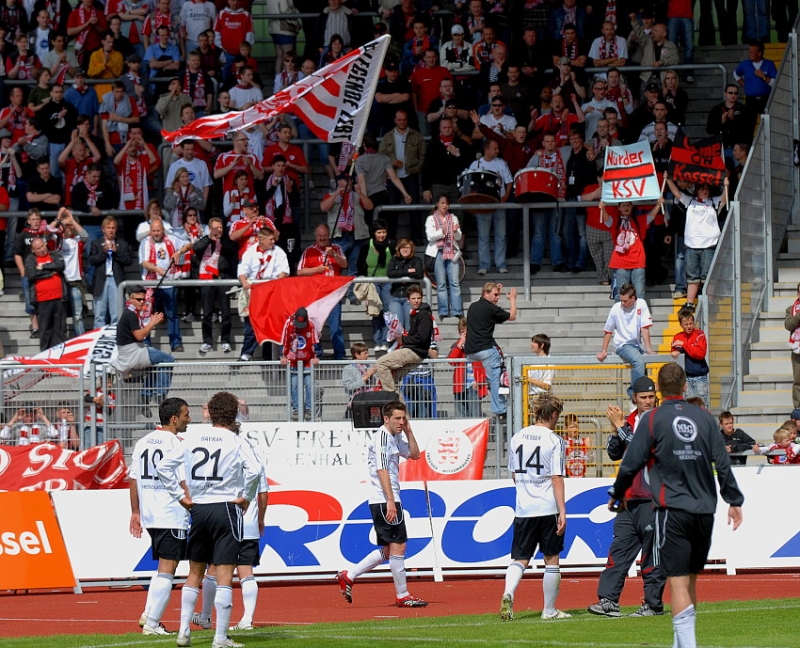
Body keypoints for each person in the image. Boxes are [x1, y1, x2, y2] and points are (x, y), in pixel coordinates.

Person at [609, 363, 744, 648]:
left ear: (658, 389)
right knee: (691, 580)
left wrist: (617, 492)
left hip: (671, 509)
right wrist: (734, 499)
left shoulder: (652, 419)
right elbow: (722, 461)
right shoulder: (705, 418)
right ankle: (680, 642)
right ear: (685, 386)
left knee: (678, 582)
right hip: (705, 509)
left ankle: (688, 645)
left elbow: (632, 460)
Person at [156, 390, 261, 648]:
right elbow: (256, 470)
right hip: (225, 506)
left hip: (199, 509)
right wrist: (246, 496)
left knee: (194, 572)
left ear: (211, 413)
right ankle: (220, 637)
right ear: (233, 414)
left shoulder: (190, 438)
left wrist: (180, 496)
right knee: (224, 573)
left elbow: (163, 467)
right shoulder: (236, 440)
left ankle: (183, 632)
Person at [336, 400, 427, 608]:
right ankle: (402, 594)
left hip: (388, 497)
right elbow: (382, 469)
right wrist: (390, 500)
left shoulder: (395, 436)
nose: (401, 422)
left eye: (403, 418)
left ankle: (349, 575)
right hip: (385, 498)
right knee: (399, 545)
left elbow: (414, 454)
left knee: (388, 548)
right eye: (397, 418)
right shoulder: (382, 438)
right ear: (386, 419)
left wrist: (410, 431)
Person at [588, 375, 664, 618]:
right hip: (630, 498)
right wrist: (616, 430)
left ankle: (653, 604)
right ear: (635, 398)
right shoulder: (629, 421)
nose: (649, 401)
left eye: (652, 396)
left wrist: (621, 428)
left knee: (651, 554)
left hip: (653, 498)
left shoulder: (661, 420)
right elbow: (614, 454)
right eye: (644, 397)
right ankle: (609, 600)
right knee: (618, 551)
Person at [499, 392, 570, 622]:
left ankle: (508, 593)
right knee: (551, 559)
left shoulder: (518, 436)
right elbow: (556, 477)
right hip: (547, 507)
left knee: (519, 558)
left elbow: (514, 474)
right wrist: (562, 511)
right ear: (554, 414)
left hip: (524, 508)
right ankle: (549, 610)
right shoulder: (554, 440)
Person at [129, 397, 191, 636]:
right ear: (174, 418)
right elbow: (183, 481)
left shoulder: (143, 442)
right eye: (186, 414)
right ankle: (153, 623)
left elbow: (133, 479)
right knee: (168, 568)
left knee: (163, 567)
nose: (189, 418)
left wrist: (135, 511)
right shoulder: (176, 444)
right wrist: (191, 506)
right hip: (171, 512)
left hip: (151, 514)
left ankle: (148, 615)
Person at [666, 177, 729, 309]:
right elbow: (677, 193)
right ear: (696, 190)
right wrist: (668, 180)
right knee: (692, 276)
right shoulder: (690, 201)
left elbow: (724, 199)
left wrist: (726, 186)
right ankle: (690, 303)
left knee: (708, 276)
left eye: (706, 189)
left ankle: (710, 302)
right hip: (691, 245)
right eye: (702, 188)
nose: (705, 191)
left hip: (709, 245)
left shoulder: (713, 201)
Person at [110, 284, 175, 407]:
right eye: (138, 299)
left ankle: (145, 395)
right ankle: (160, 393)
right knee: (168, 359)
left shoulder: (132, 313)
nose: (141, 302)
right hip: (132, 353)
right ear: (130, 299)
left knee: (155, 364)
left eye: (143, 299)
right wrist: (152, 323)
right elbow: (140, 336)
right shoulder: (130, 314)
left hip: (135, 350)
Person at [237, 226, 289, 362]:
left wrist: (275, 284)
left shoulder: (279, 252)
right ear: (261, 240)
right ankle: (246, 354)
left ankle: (269, 356)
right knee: (252, 324)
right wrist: (244, 282)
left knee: (271, 325)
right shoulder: (249, 252)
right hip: (255, 293)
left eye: (273, 239)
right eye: (270, 240)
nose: (273, 242)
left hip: (271, 293)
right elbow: (242, 271)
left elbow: (284, 271)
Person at [465, 282, 517, 420]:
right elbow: (512, 316)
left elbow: (488, 307)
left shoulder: (473, 306)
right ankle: (499, 409)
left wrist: (496, 290)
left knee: (492, 374)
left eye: (498, 295)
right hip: (485, 350)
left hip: (470, 351)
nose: (497, 297)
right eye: (495, 295)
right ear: (486, 294)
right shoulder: (491, 309)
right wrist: (512, 299)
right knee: (495, 378)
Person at [296, 223, 347, 360]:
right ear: (315, 236)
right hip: (316, 296)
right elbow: (300, 271)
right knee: (315, 327)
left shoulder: (337, 248)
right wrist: (316, 270)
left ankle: (340, 355)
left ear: (329, 236)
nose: (323, 238)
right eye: (320, 236)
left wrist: (334, 255)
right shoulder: (309, 251)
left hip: (334, 294)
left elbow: (344, 264)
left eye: (325, 236)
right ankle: (317, 353)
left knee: (335, 327)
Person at [376, 284, 433, 398]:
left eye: (418, 298)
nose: (416, 301)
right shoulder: (416, 314)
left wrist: (403, 339)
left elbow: (422, 337)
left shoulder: (423, 314)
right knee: (393, 378)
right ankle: (399, 407)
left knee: (381, 363)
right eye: (413, 298)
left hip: (415, 351)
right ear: (408, 300)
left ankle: (392, 398)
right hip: (415, 351)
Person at [597, 283, 654, 397]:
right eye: (621, 300)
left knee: (644, 367)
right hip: (622, 344)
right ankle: (634, 394)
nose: (622, 303)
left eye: (625, 301)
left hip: (637, 345)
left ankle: (645, 395)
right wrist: (604, 350)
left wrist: (648, 349)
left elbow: (644, 328)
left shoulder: (641, 304)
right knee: (638, 362)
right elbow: (608, 331)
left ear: (633, 298)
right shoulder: (615, 308)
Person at [466, 140, 513, 276]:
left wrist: (504, 198)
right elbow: (470, 184)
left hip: (499, 204)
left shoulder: (501, 163)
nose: (497, 151)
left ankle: (501, 264)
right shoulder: (476, 164)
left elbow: (509, 182)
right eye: (494, 148)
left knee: (501, 236)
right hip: (483, 204)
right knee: (483, 237)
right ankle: (484, 265)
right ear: (486, 149)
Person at [139, 219, 184, 353]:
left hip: (168, 283)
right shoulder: (145, 242)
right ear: (150, 231)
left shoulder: (171, 239)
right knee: (146, 315)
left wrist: (179, 252)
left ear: (163, 230)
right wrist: (157, 269)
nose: (156, 233)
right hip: (150, 283)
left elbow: (188, 245)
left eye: (158, 230)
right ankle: (146, 343)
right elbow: (143, 262)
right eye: (154, 231)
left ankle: (175, 343)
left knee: (172, 314)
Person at [193, 217, 237, 355]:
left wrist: (221, 240)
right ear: (210, 228)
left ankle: (225, 340)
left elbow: (232, 249)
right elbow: (196, 248)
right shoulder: (204, 239)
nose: (219, 230)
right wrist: (209, 239)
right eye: (216, 228)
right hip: (206, 278)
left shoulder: (226, 240)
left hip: (222, 278)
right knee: (206, 313)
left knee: (225, 312)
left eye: (221, 227)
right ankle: (207, 341)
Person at [356, 220, 393, 352]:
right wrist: (363, 278)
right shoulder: (367, 245)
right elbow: (360, 263)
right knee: (376, 311)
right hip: (373, 281)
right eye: (379, 232)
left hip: (388, 281)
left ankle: (386, 341)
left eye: (384, 232)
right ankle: (377, 341)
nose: (382, 235)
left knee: (387, 311)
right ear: (374, 233)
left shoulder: (391, 244)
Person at [425, 195, 463, 321]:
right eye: (442, 203)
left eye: (446, 203)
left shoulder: (453, 217)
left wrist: (455, 231)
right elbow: (430, 237)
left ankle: (457, 311)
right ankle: (443, 311)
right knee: (441, 283)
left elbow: (458, 237)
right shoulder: (431, 219)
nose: (444, 205)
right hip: (437, 252)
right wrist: (443, 230)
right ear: (437, 204)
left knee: (454, 282)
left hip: (452, 251)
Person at [25, 235, 65, 351]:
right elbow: (32, 274)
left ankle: (60, 357)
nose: (42, 249)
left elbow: (61, 265)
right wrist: (49, 273)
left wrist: (43, 267)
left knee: (59, 330)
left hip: (59, 298)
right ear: (33, 250)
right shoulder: (30, 259)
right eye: (38, 248)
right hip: (42, 300)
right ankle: (45, 358)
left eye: (43, 246)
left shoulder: (54, 254)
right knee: (45, 330)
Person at [280, 307, 320, 422]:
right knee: (294, 385)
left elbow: (315, 341)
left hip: (307, 360)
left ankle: (309, 409)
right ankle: (296, 409)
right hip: (293, 360)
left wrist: (317, 357)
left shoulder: (311, 324)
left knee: (309, 384)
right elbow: (283, 341)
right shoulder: (288, 323)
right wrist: (282, 356)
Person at [670, 307, 710, 406]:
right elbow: (674, 352)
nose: (689, 326)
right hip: (686, 377)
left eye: (691, 323)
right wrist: (677, 349)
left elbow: (700, 354)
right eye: (686, 324)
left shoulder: (699, 335)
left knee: (702, 405)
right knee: (688, 405)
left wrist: (683, 345)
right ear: (681, 324)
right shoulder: (677, 337)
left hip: (700, 377)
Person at [448, 317, 486, 419]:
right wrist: (460, 345)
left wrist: (480, 381)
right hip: (460, 385)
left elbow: (485, 365)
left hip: (474, 385)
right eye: (462, 332)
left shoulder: (479, 344)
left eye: (467, 332)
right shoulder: (457, 345)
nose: (465, 334)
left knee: (474, 416)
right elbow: (451, 361)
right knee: (460, 416)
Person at [386, 238, 423, 333]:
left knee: (410, 326)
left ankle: (409, 346)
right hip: (395, 297)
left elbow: (419, 274)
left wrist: (399, 274)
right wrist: (408, 271)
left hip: (410, 298)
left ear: (412, 249)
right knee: (397, 327)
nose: (405, 250)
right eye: (402, 247)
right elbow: (390, 273)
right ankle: (398, 346)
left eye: (407, 247)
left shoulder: (416, 260)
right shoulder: (394, 260)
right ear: (398, 249)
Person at [733, 41, 776, 117]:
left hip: (766, 99)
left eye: (752, 52)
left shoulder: (769, 64)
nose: (749, 54)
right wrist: (744, 84)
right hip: (750, 100)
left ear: (759, 53)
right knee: (749, 126)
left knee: (767, 124)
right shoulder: (745, 64)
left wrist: (764, 77)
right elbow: (735, 74)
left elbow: (776, 83)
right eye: (749, 51)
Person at [342, 342, 377, 419]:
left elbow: (373, 384)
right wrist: (366, 377)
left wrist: (371, 377)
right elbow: (349, 386)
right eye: (365, 353)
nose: (368, 355)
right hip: (355, 401)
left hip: (369, 400)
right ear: (357, 355)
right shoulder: (348, 368)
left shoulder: (368, 366)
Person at [784, 282, 800, 408]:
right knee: (798, 381)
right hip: (797, 350)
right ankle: (798, 410)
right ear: (798, 294)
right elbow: (788, 325)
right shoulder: (791, 309)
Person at [527, 333, 553, 399]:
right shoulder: (534, 361)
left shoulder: (549, 362)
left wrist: (528, 379)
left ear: (542, 345)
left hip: (543, 398)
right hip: (531, 396)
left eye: (535, 342)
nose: (531, 344)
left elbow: (547, 385)